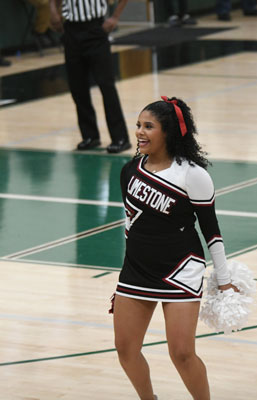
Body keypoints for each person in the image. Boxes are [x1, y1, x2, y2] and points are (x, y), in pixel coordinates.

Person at [112, 96, 238, 400]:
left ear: (168, 132)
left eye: (148, 126)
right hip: (137, 270)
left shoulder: (193, 175)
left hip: (180, 270)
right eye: (138, 125)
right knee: (126, 349)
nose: (140, 132)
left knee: (181, 353)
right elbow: (131, 224)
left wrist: (224, 280)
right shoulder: (129, 171)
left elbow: (211, 231)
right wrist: (126, 272)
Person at [49, 0, 132, 153]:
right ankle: (90, 136)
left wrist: (115, 17)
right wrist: (53, 11)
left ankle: (120, 138)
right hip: (71, 30)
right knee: (77, 87)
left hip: (95, 29)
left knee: (106, 85)